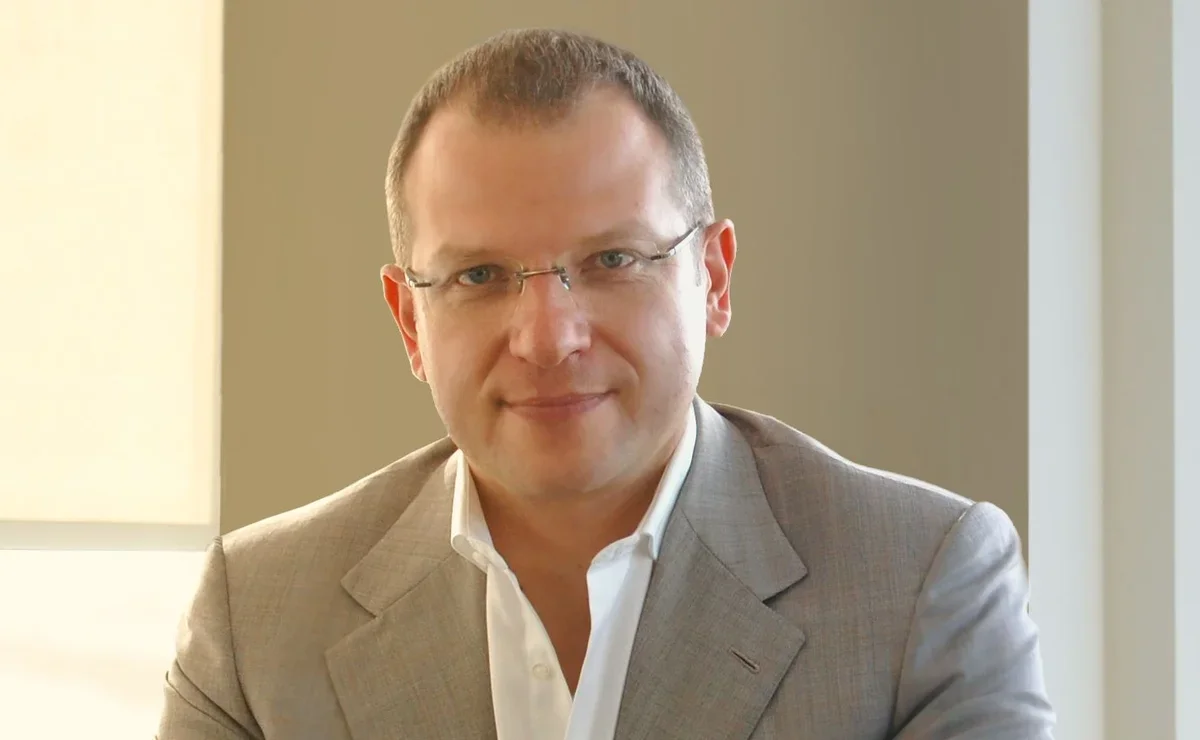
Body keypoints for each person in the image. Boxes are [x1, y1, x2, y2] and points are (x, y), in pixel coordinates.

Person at [157, 28, 1054, 740]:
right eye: (479, 275)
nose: (548, 338)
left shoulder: (921, 587)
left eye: (613, 259)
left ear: (714, 279)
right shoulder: (257, 621)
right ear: (408, 321)